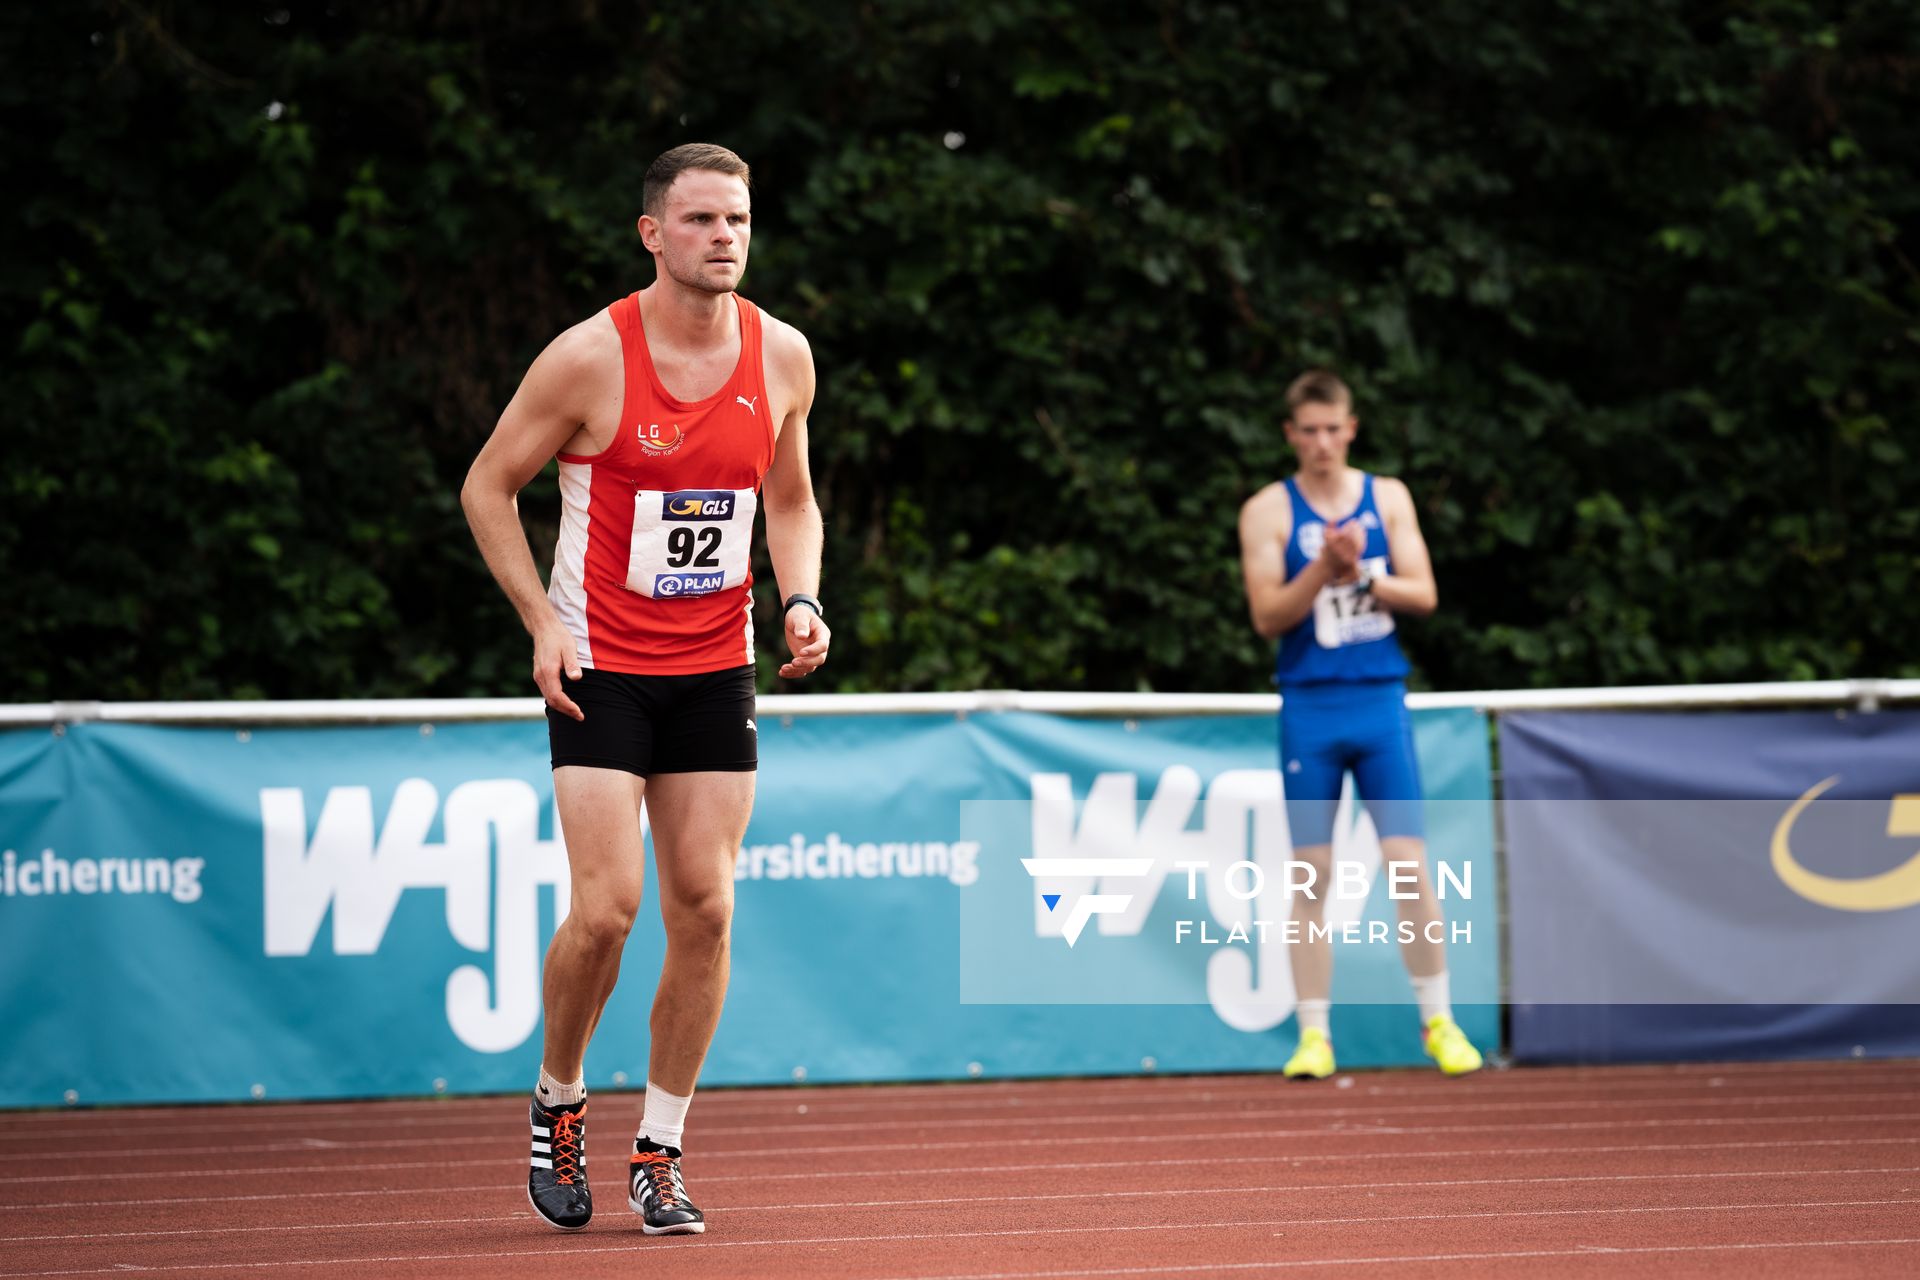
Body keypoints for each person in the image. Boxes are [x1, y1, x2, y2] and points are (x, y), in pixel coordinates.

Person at [461, 142, 829, 1235]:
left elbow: (794, 498)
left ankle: (660, 1145)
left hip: (716, 662)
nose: (726, 238)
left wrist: (800, 597)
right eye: (704, 220)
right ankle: (558, 1096)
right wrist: (539, 618)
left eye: (740, 220)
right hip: (601, 668)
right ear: (653, 234)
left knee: (707, 909)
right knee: (609, 908)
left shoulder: (785, 357)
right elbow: (488, 484)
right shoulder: (589, 358)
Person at [1237, 369, 1481, 1080]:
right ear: (1291, 434)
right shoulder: (1267, 511)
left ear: (1351, 429)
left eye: (1331, 429)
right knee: (1311, 872)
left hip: (1379, 703)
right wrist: (1324, 569)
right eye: (1307, 431)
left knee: (1408, 866)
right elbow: (1266, 616)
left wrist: (1363, 577)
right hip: (1310, 708)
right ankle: (1314, 1037)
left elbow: (1425, 593)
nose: (1320, 442)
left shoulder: (1390, 497)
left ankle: (1439, 1023)